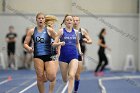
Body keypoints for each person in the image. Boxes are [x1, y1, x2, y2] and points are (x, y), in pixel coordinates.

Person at [24, 12, 57, 93]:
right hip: (38, 55)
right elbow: (25, 43)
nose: (41, 19)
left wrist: (55, 45)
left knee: (52, 77)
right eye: (39, 18)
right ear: (36, 20)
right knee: (39, 77)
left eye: (42, 18)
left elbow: (57, 38)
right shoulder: (31, 31)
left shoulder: (49, 30)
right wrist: (29, 49)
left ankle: (45, 73)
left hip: (49, 55)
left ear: (44, 20)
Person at [52, 14, 82, 93]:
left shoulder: (76, 32)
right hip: (63, 58)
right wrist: (60, 43)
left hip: (74, 56)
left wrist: (80, 51)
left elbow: (77, 43)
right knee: (65, 79)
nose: (69, 21)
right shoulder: (61, 31)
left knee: (72, 75)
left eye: (70, 20)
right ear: (65, 22)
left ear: (73, 22)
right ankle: (66, 79)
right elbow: (54, 44)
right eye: (67, 20)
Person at [73, 16, 92, 93]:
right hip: (69, 54)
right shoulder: (66, 30)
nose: (75, 22)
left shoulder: (82, 31)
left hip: (78, 54)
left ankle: (75, 90)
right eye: (74, 20)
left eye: (77, 20)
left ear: (79, 22)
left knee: (77, 75)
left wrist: (86, 41)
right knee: (70, 74)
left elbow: (90, 40)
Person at [44, 15, 59, 93]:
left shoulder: (55, 33)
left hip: (53, 55)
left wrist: (58, 54)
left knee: (53, 76)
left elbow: (58, 43)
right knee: (45, 78)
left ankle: (50, 92)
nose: (51, 26)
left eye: (52, 24)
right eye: (49, 24)